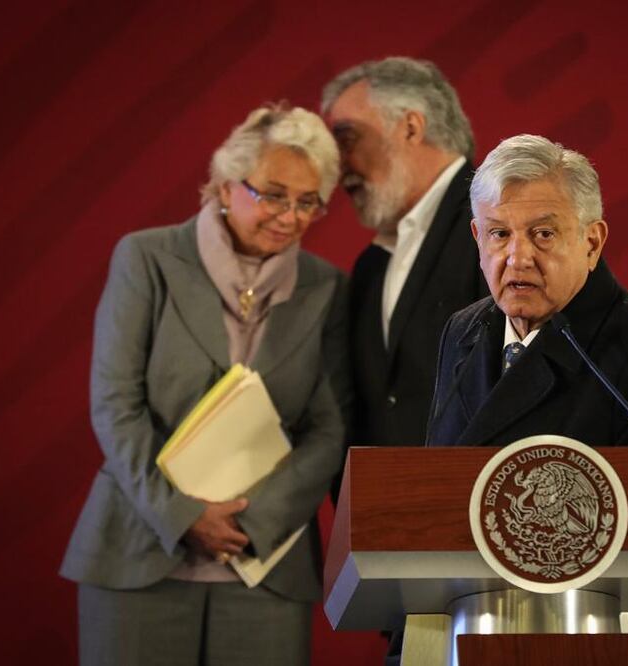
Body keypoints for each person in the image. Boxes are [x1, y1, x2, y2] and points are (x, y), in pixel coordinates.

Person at [60, 104, 349, 666]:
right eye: (272, 193)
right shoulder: (146, 258)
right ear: (223, 186)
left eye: (307, 201)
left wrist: (248, 523)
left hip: (264, 568)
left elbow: (329, 426)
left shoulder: (327, 287)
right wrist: (182, 514)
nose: (290, 216)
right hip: (139, 552)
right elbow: (116, 403)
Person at [426, 133, 628, 665]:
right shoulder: (462, 333)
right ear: (476, 237)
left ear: (593, 241)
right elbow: (432, 501)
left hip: (585, 643)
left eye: (543, 234)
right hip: (455, 636)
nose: (518, 256)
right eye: (498, 234)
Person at [321, 56, 487, 448]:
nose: (337, 167)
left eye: (347, 139)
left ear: (411, 127)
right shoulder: (370, 267)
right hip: (386, 505)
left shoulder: (498, 226)